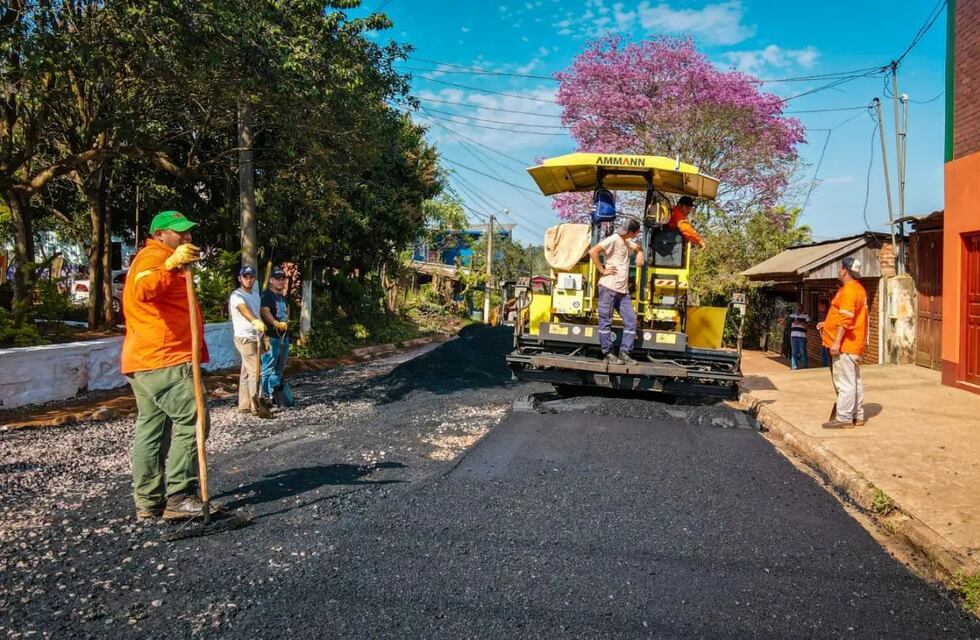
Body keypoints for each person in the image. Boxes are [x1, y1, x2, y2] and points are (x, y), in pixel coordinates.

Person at [120, 210, 209, 521]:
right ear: (159, 235)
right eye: (179, 232)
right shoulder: (152, 257)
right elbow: (144, 289)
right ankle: (180, 495)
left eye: (188, 232)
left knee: (152, 428)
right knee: (194, 420)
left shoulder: (161, 259)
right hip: (165, 360)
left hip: (144, 361)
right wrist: (171, 264)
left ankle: (148, 501)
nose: (186, 236)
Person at [818, 257, 868, 428]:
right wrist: (827, 324)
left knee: (844, 382)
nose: (839, 271)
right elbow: (846, 315)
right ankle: (857, 415)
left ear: (845, 271)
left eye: (840, 269)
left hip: (845, 346)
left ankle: (844, 418)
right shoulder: (859, 290)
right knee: (855, 381)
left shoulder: (849, 291)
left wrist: (836, 343)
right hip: (854, 344)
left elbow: (846, 319)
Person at [588, 217, 645, 365]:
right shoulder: (613, 239)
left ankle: (625, 352)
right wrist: (602, 270)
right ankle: (608, 353)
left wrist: (640, 253)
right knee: (606, 321)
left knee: (631, 320)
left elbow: (638, 247)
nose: (638, 234)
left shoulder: (626, 241)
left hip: (622, 290)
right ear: (632, 232)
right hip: (608, 287)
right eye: (637, 232)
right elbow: (593, 251)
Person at [228, 266, 271, 417]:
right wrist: (254, 321)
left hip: (255, 336)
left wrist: (262, 333)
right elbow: (243, 309)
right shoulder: (236, 295)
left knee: (246, 372)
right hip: (244, 337)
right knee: (255, 371)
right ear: (240, 278)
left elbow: (257, 314)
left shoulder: (255, 295)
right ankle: (257, 406)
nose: (248, 279)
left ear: (254, 278)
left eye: (251, 276)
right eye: (245, 276)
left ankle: (244, 405)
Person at [260, 266, 290, 400]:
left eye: (282, 279)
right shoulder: (267, 295)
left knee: (280, 366)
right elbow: (264, 311)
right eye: (278, 279)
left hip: (284, 336)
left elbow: (287, 311)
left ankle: (274, 393)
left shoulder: (282, 297)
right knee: (268, 367)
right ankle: (264, 395)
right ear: (271, 280)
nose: (280, 282)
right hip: (271, 336)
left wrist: (286, 321)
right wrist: (275, 323)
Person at [789, 304, 810, 370]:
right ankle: (794, 366)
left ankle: (805, 366)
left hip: (802, 336)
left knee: (802, 352)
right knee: (794, 352)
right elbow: (785, 324)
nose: (798, 310)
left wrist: (799, 323)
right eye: (797, 308)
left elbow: (808, 326)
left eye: (800, 308)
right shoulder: (792, 316)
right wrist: (782, 321)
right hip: (793, 336)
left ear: (802, 309)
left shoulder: (806, 316)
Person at [817, 298, 831, 367]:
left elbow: (833, 323)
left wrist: (823, 324)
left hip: (829, 338)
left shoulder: (829, 313)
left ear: (824, 305)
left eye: (820, 305)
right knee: (823, 354)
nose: (818, 307)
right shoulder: (822, 314)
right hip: (824, 337)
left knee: (827, 354)